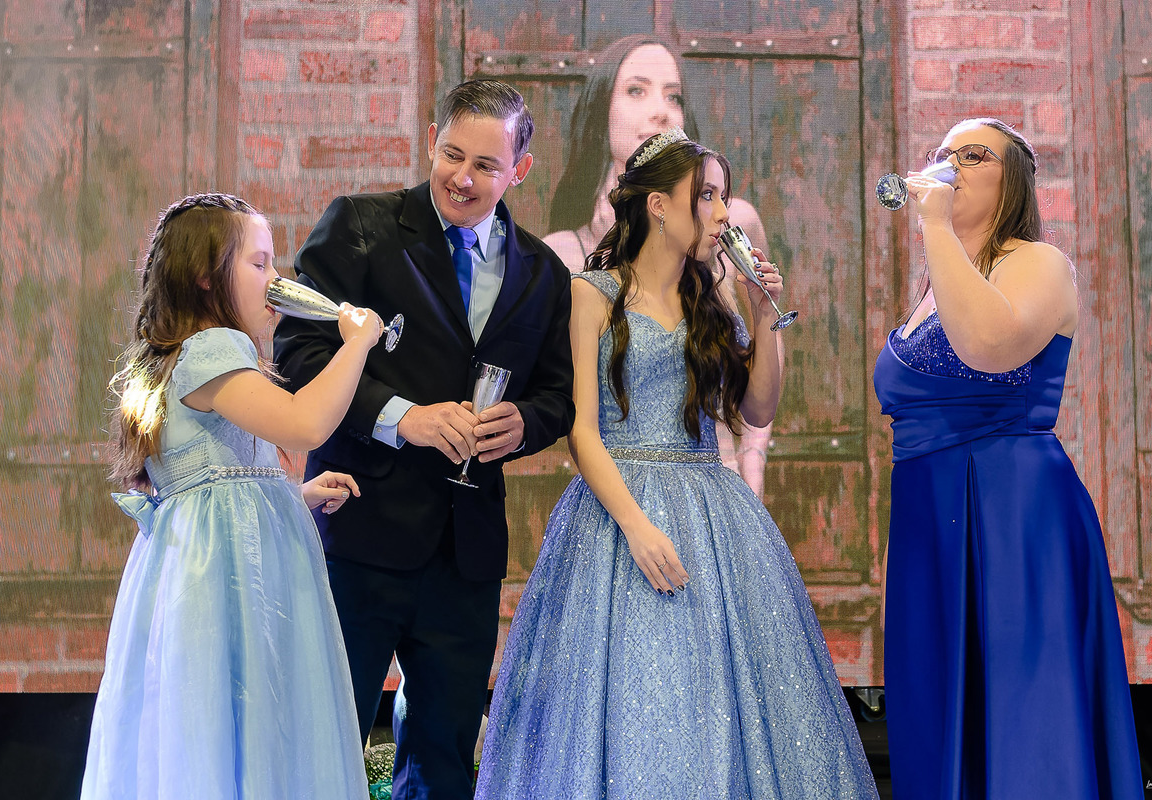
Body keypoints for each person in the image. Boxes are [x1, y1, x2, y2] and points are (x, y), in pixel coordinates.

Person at [476, 130, 878, 798]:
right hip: (615, 513)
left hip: (709, 510)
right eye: (708, 196)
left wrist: (763, 313)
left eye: (722, 196)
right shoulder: (592, 293)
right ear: (658, 205)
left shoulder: (711, 300)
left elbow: (757, 409)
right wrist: (636, 525)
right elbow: (582, 432)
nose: (723, 213)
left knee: (713, 692)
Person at [272, 79, 574, 799]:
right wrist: (402, 417)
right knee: (324, 741)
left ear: (520, 170)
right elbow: (299, 352)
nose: (462, 178)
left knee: (444, 758)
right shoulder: (360, 226)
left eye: (486, 166)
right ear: (432, 139)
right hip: (356, 533)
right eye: (452, 155)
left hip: (465, 553)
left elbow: (558, 395)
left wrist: (525, 424)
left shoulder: (543, 272)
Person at [873, 118, 1143, 798]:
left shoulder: (1040, 263)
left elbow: (987, 347)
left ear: (1012, 180)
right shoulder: (936, 286)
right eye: (942, 154)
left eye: (972, 155)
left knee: (1026, 716)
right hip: (928, 522)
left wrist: (935, 226)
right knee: (935, 713)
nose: (950, 165)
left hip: (1013, 515)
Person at [81, 193, 381, 799]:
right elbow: (304, 425)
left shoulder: (180, 356)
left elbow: (218, 477)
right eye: (259, 263)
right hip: (227, 581)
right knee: (253, 718)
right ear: (205, 274)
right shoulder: (214, 348)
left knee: (216, 733)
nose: (275, 280)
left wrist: (293, 496)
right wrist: (356, 344)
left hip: (201, 567)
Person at [543, 35, 780, 497]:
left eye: (674, 97)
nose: (661, 111)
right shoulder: (566, 255)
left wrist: (752, 458)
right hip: (617, 492)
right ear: (601, 110)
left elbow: (757, 384)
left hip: (717, 487)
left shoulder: (732, 226)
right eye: (637, 90)